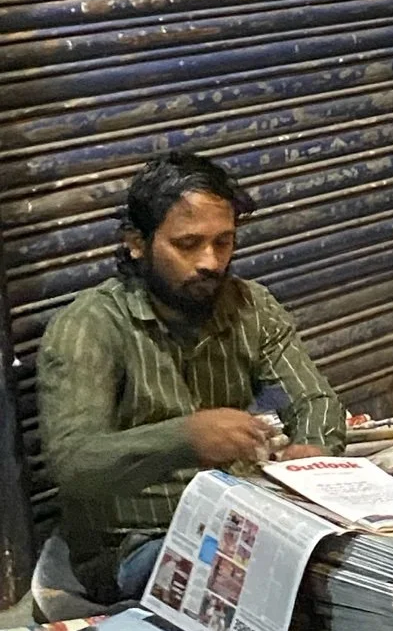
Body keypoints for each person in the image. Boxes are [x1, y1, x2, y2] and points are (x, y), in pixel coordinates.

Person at [37, 150, 346, 606]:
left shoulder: (250, 306)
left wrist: (314, 452)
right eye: (187, 245)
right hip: (137, 542)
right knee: (262, 587)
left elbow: (315, 399)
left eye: (224, 243)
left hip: (246, 514)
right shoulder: (91, 326)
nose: (211, 262)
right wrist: (186, 437)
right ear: (137, 243)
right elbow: (75, 463)